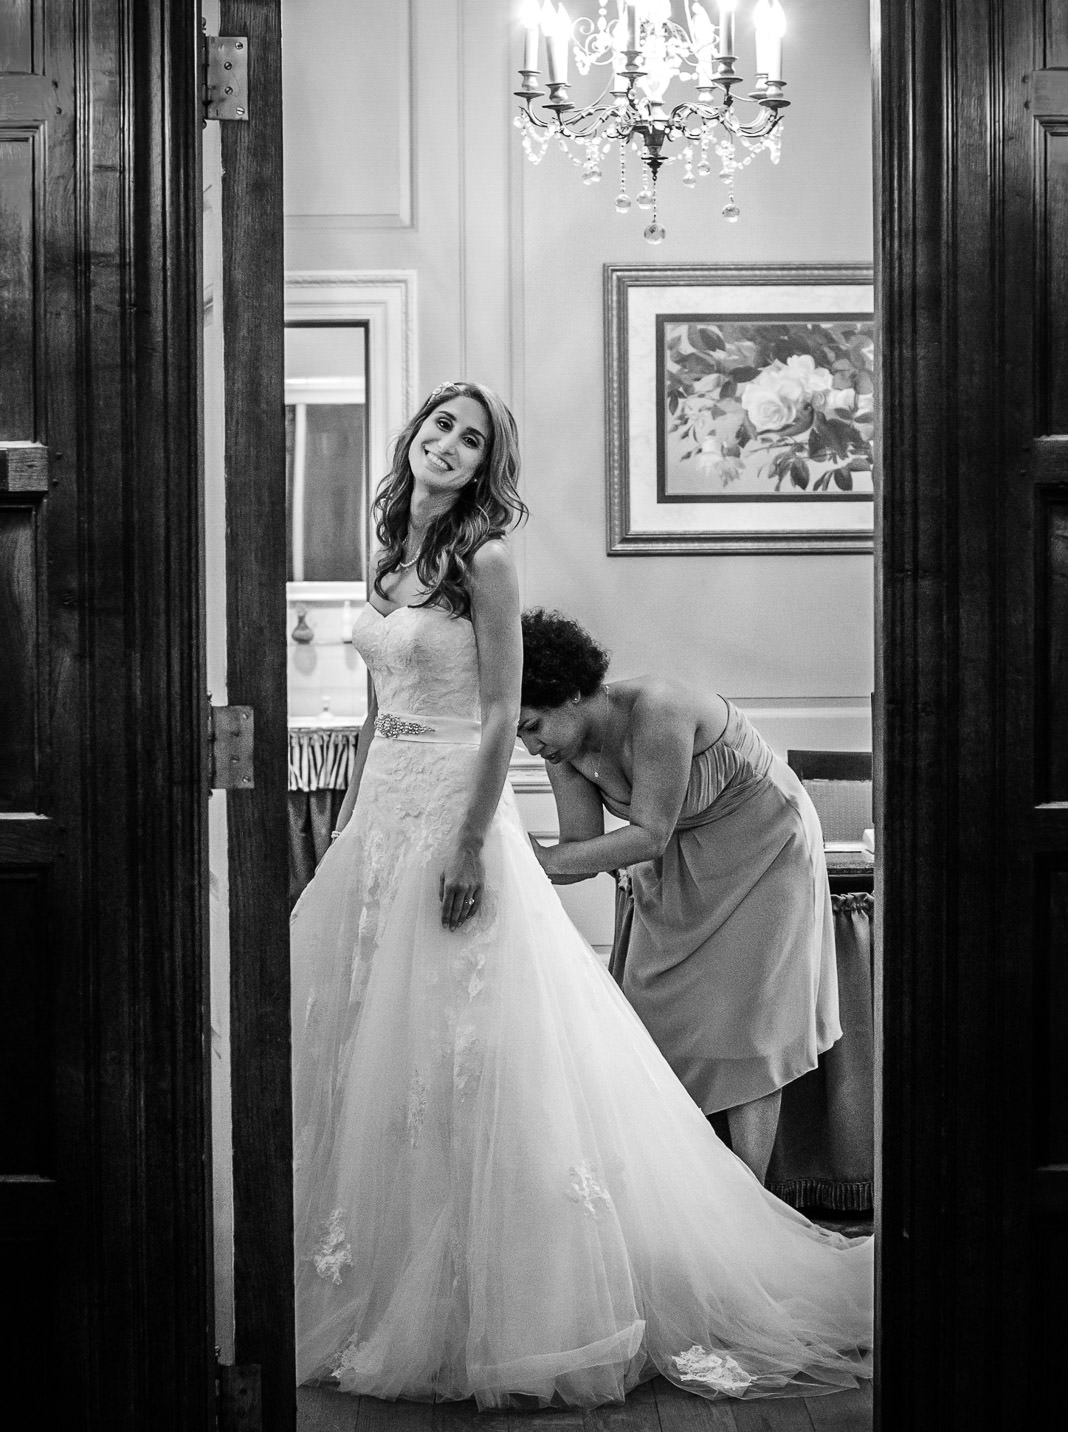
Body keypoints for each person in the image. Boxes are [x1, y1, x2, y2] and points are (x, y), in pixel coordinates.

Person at [290, 381, 872, 1410]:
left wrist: (474, 844)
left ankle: (544, 1282)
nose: (449, 445)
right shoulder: (384, 559)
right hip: (384, 812)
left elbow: (499, 712)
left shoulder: (486, 561)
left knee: (482, 1036)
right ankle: (391, 1269)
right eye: (441, 425)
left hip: (458, 809)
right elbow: (380, 707)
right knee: (387, 1035)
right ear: (415, 434)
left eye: (472, 440)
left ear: (485, 467)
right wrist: (349, 819)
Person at [518, 608, 842, 1186]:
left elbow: (648, 834)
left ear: (570, 694)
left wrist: (540, 861)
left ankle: (748, 1198)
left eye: (532, 725)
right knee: (648, 1012)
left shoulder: (658, 708)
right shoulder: (563, 752)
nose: (528, 744)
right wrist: (510, 862)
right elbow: (578, 852)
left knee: (747, 1028)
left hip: (764, 846)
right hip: (678, 857)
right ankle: (675, 1188)